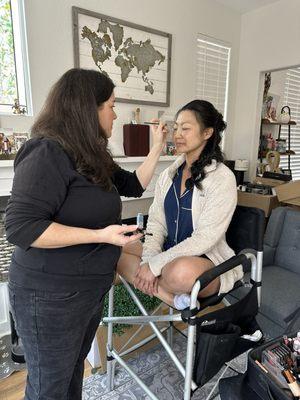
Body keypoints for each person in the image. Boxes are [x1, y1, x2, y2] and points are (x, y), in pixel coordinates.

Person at [5, 68, 167, 400]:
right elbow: (22, 227)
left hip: (85, 292)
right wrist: (101, 236)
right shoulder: (46, 152)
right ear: (87, 108)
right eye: (110, 104)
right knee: (49, 386)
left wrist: (157, 148)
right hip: (49, 297)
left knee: (71, 373)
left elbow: (133, 185)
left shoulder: (92, 155)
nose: (115, 113)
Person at [117, 99, 243, 310]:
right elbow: (157, 223)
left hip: (203, 260)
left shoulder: (222, 178)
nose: (177, 134)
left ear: (207, 133)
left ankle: (161, 283)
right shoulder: (169, 175)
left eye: (185, 128)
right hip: (169, 251)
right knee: (113, 252)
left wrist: (154, 266)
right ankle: (173, 299)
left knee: (177, 273)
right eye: (175, 128)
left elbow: (205, 239)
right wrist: (149, 260)